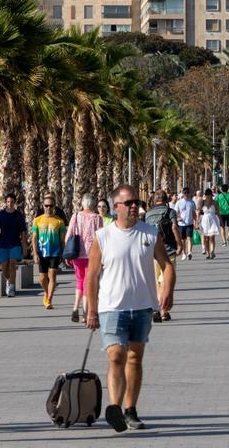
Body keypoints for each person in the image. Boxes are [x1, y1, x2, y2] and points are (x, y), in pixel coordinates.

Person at [84, 185, 176, 432]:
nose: (135, 206)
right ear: (116, 207)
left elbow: (166, 264)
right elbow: (91, 276)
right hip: (112, 307)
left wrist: (168, 290)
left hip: (143, 305)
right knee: (116, 356)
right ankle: (114, 407)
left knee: (134, 358)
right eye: (130, 203)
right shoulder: (103, 237)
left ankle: (130, 410)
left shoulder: (149, 233)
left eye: (137, 202)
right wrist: (91, 310)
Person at [65, 193, 104, 323]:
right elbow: (101, 237)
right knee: (89, 282)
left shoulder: (75, 216)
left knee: (79, 281)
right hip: (92, 254)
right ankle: (85, 312)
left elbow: (69, 235)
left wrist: (67, 253)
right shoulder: (97, 218)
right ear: (93, 204)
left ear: (83, 203)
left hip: (77, 253)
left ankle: (75, 307)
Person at [145, 190, 182, 322]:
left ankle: (158, 308)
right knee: (166, 280)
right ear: (166, 200)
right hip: (168, 250)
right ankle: (163, 311)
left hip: (152, 251)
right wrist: (180, 244)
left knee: (157, 281)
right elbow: (174, 228)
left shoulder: (148, 214)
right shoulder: (170, 211)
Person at [33, 194, 67, 310]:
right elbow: (34, 238)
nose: (48, 208)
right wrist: (35, 253)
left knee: (52, 275)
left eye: (50, 205)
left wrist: (65, 253)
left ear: (54, 206)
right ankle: (46, 292)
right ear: (43, 206)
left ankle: (49, 299)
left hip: (55, 252)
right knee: (42, 278)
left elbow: (63, 240)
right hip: (42, 252)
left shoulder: (59, 221)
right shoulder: (37, 220)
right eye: (46, 205)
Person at [0, 193, 28, 297]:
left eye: (12, 202)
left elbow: (23, 232)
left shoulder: (18, 215)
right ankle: (8, 281)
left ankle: (12, 287)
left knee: (13, 264)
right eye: (8, 202)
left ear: (15, 203)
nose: (10, 204)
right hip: (3, 244)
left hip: (15, 244)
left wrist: (24, 246)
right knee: (4, 266)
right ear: (6, 202)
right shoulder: (1, 215)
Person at [174, 187, 197, 261]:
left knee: (189, 238)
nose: (186, 194)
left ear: (189, 193)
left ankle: (189, 252)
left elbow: (194, 213)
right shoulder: (179, 202)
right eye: (185, 193)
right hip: (181, 224)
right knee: (183, 240)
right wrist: (178, 217)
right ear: (183, 194)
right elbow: (176, 212)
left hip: (189, 223)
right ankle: (184, 253)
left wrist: (196, 222)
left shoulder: (192, 202)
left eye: (187, 193)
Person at [198, 188, 221, 259]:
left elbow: (218, 212)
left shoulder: (215, 203)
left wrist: (221, 221)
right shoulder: (202, 202)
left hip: (213, 220)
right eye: (207, 196)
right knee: (206, 238)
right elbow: (198, 212)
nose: (209, 197)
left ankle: (212, 252)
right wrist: (196, 222)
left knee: (212, 237)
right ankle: (208, 253)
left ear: (211, 195)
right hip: (204, 221)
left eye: (210, 196)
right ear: (205, 195)